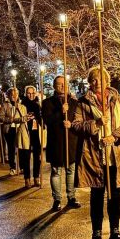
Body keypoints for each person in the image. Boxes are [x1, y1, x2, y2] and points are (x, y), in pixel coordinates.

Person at [72, 66, 120, 239]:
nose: (97, 82)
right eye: (93, 80)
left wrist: (115, 136)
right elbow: (76, 126)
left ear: (107, 81)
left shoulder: (117, 99)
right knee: (96, 195)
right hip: (94, 156)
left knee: (114, 195)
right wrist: (96, 123)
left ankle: (115, 228)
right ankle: (97, 232)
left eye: (100, 79)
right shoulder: (83, 103)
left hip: (115, 155)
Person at [42, 76, 81, 211]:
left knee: (71, 169)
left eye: (64, 84)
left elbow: (78, 120)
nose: (62, 86)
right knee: (56, 171)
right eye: (59, 84)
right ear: (54, 86)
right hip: (56, 141)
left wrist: (71, 124)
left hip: (70, 140)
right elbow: (47, 121)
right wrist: (60, 112)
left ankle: (71, 197)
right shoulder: (47, 103)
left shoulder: (74, 102)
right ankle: (57, 199)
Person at [0, 88, 29, 182]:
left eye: (15, 94)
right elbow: (1, 117)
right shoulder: (5, 105)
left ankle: (22, 166)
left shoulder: (21, 105)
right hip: (9, 129)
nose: (13, 96)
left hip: (19, 128)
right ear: (8, 95)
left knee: (20, 148)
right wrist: (10, 120)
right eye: (12, 94)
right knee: (11, 148)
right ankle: (12, 166)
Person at [21, 85, 42, 187]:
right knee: (26, 156)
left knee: (37, 156)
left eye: (33, 93)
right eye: (29, 93)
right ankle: (27, 178)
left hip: (35, 132)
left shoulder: (37, 105)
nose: (31, 95)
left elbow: (40, 118)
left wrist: (40, 119)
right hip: (26, 132)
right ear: (26, 93)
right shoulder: (22, 105)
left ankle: (36, 177)